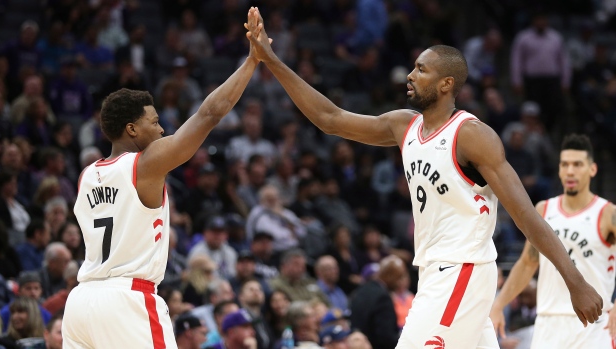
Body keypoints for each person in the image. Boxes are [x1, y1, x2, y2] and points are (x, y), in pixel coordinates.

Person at [244, 9, 602, 348]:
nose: (410, 76)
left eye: (421, 69)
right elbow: (330, 118)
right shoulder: (404, 125)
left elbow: (527, 217)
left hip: (463, 268)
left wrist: (576, 282)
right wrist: (272, 61)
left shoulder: (472, 135)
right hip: (432, 273)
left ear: (447, 83)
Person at [61, 9, 266, 348]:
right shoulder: (145, 163)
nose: (161, 129)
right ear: (131, 129)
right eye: (154, 122)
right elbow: (209, 114)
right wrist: (251, 62)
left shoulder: (87, 174)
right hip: (128, 301)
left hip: (82, 303)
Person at [490, 134, 616, 348]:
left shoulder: (607, 213)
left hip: (595, 324)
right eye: (565, 164)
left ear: (592, 169)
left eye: (577, 164)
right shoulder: (544, 210)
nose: (570, 171)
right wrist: (498, 305)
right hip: (548, 324)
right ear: (558, 169)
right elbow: (527, 263)